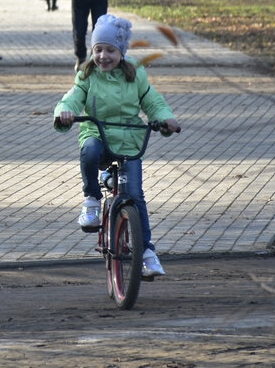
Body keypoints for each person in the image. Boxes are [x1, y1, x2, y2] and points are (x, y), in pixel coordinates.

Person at [53, 14, 181, 278]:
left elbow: (153, 103)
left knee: (135, 195)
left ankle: (146, 253)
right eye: (98, 49)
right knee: (89, 151)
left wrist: (166, 119)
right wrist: (65, 111)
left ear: (122, 52)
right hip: (97, 134)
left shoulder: (136, 75)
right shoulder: (87, 74)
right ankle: (91, 199)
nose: (103, 56)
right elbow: (73, 98)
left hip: (129, 140)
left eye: (110, 50)